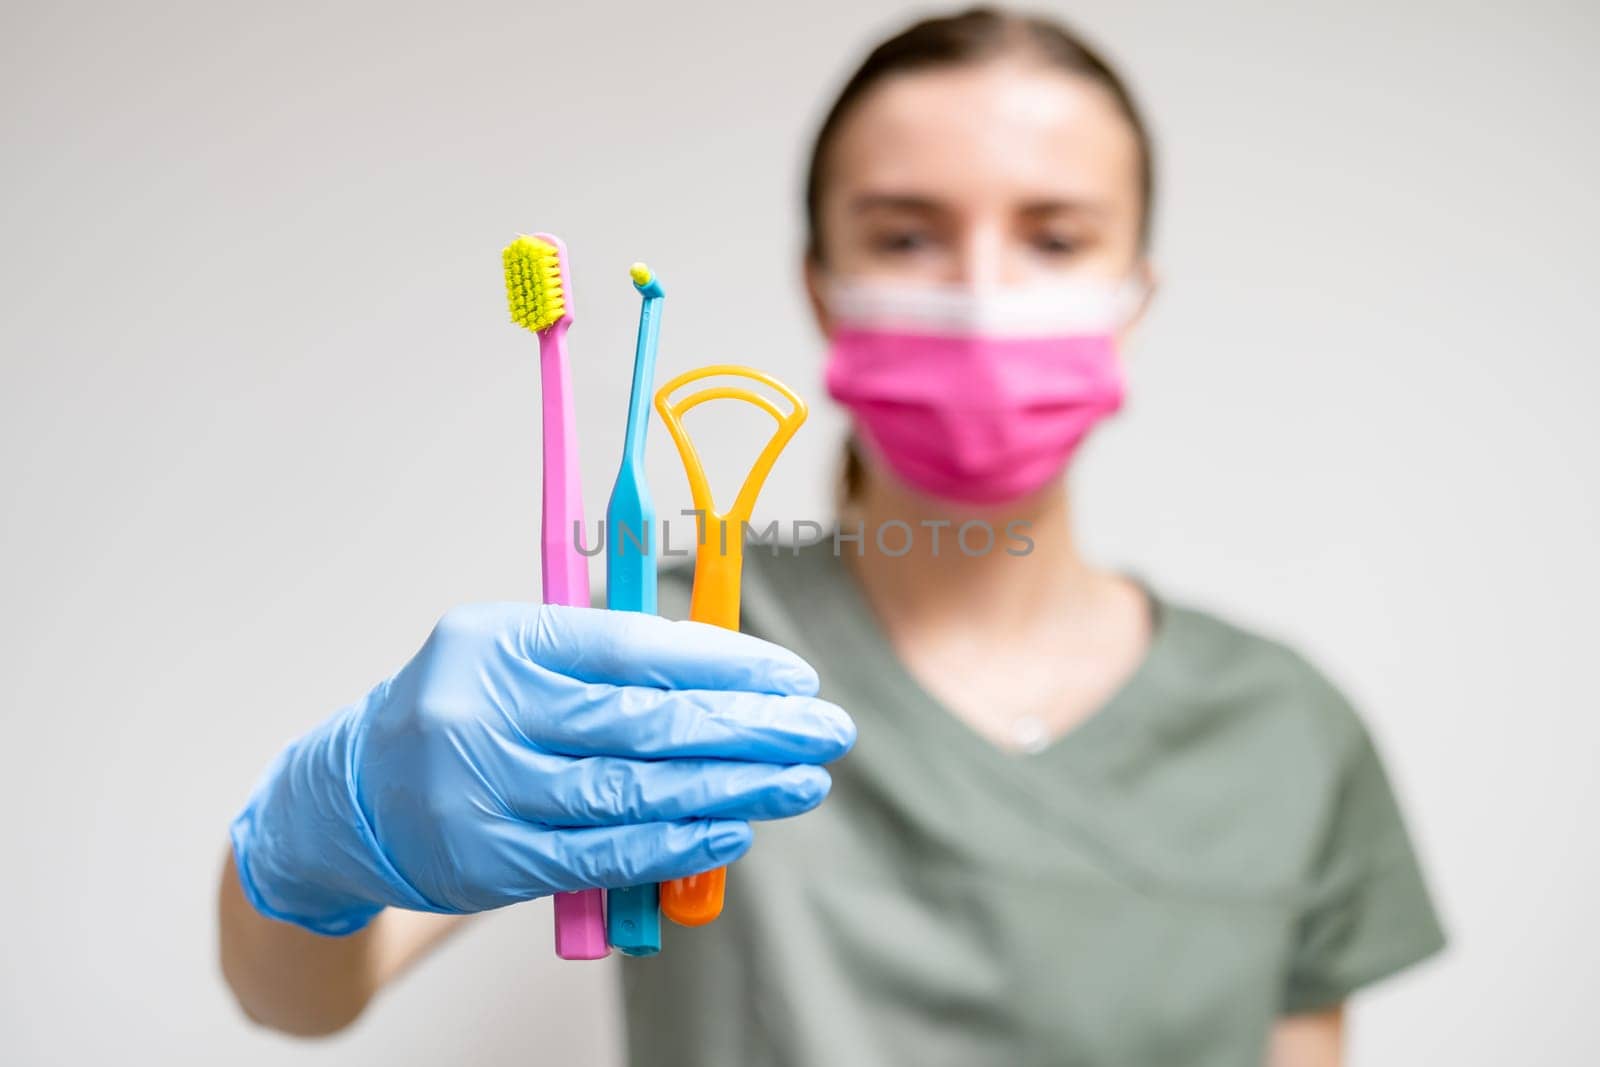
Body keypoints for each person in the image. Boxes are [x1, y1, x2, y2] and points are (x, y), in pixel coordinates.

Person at [218, 8, 1445, 1065]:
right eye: (906, 235)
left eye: (1055, 237)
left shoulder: (1289, 729)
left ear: (1134, 299)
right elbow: (304, 989)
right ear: (821, 285)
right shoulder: (657, 633)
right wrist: (319, 843)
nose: (979, 292)